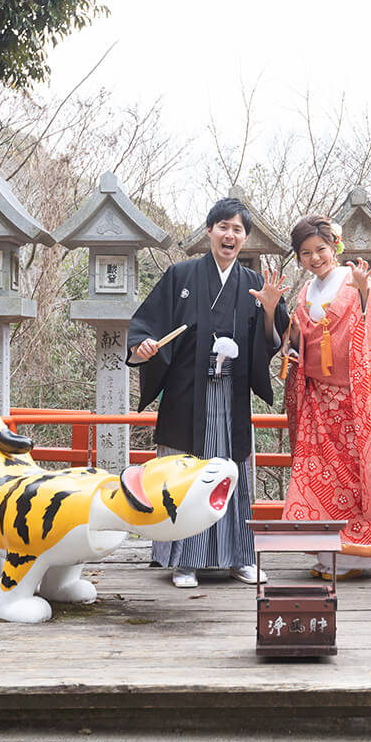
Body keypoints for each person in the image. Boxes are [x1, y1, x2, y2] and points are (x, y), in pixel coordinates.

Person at [127, 197, 288, 588]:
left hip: (231, 397)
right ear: (209, 232)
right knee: (188, 474)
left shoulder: (253, 284)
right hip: (187, 396)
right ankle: (185, 561)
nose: (229, 235)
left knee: (233, 473)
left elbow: (275, 339)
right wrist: (146, 346)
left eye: (237, 229)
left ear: (245, 238)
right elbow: (146, 327)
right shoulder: (180, 276)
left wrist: (269, 311)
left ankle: (240, 558)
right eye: (223, 227)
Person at [281, 214, 371, 578]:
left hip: (351, 401)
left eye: (321, 250)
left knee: (352, 477)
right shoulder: (305, 292)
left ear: (335, 248)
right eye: (305, 253)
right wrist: (292, 340)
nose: (315, 258)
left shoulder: (352, 279)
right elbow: (298, 342)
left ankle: (357, 553)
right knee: (315, 477)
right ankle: (325, 550)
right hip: (318, 400)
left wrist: (364, 293)